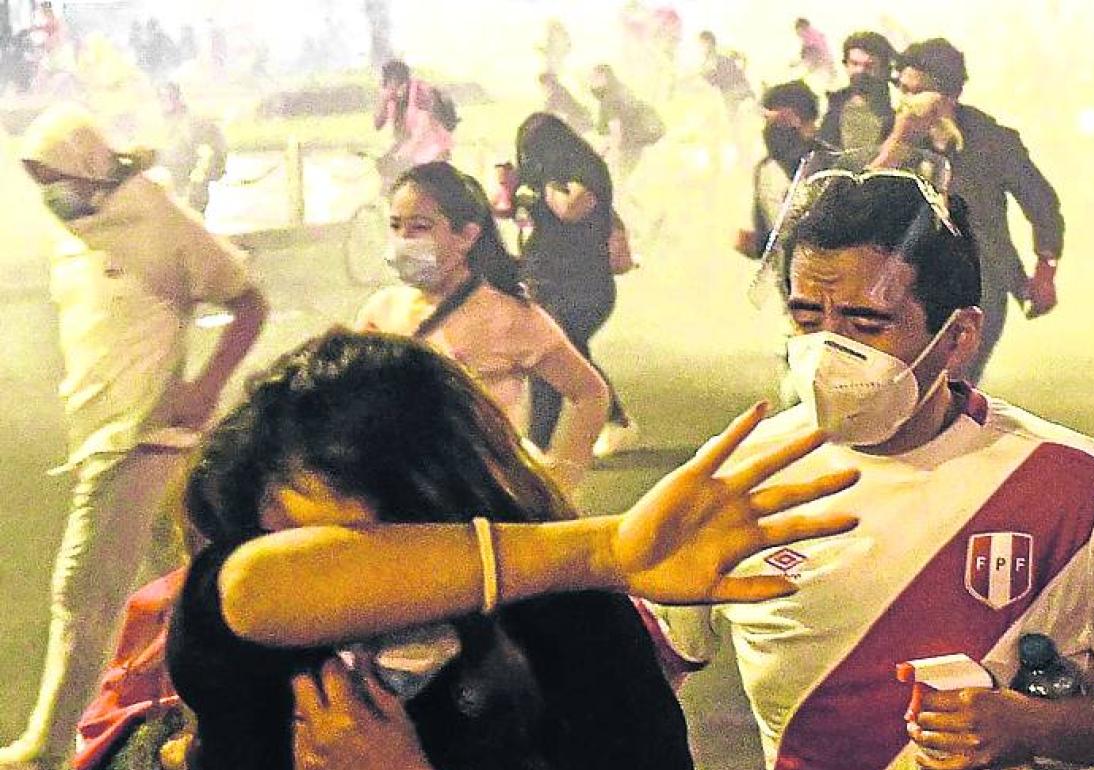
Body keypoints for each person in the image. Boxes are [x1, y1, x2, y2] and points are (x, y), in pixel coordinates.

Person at [643, 170, 1094, 770]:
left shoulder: (1077, 485)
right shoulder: (740, 477)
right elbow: (640, 665)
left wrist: (1029, 725)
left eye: (866, 324)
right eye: (805, 319)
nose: (826, 351)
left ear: (957, 339)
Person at [165, 328, 861, 770]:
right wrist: (604, 548)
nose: (321, 578)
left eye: (350, 547)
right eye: (290, 549)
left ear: (433, 504)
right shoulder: (246, 639)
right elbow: (251, 590)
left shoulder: (572, 630)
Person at [0, 103, 267, 770]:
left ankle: (46, 748)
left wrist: (204, 387)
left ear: (91, 167)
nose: (49, 193)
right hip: (105, 435)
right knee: (182, 589)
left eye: (56, 176)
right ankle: (219, 715)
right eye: (38, 180)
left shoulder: (156, 217)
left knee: (82, 593)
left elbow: (248, 300)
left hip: (142, 439)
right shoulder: (77, 230)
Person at [355, 162, 609, 491]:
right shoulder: (380, 311)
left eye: (420, 227)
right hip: (400, 502)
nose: (404, 239)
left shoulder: (510, 315)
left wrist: (562, 481)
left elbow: (590, 393)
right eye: (395, 225)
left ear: (467, 236)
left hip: (486, 502)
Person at [874, 38, 1063, 383]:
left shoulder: (991, 140)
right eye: (900, 88)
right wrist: (896, 147)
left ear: (947, 95)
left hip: (980, 280)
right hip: (909, 280)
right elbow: (861, 196)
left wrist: (1045, 269)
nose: (905, 100)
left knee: (952, 382)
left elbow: (1042, 203)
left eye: (916, 91)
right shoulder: (895, 136)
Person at [513, 112, 637, 457]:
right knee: (566, 353)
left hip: (583, 283)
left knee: (551, 354)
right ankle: (614, 420)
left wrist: (539, 187)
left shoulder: (584, 171)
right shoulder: (539, 176)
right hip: (547, 281)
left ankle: (538, 442)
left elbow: (571, 208)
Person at [735, 80, 819, 260]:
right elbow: (769, 237)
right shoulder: (765, 171)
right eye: (768, 121)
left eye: (781, 121)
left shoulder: (829, 167)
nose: (771, 130)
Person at [374, 59, 454, 189]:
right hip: (410, 146)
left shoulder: (421, 94)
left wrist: (403, 153)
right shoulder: (394, 97)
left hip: (433, 146)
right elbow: (378, 124)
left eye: (389, 84)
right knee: (384, 167)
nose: (387, 87)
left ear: (401, 83)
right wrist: (383, 100)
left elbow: (422, 132)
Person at [816, 31, 896, 152]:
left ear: (885, 69)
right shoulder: (834, 104)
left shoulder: (897, 106)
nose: (860, 71)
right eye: (854, 64)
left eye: (869, 66)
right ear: (846, 65)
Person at [157, 82, 228, 214]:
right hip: (167, 185)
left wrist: (205, 174)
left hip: (192, 184)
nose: (166, 101)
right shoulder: (154, 124)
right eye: (162, 97)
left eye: (170, 96)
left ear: (178, 97)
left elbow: (216, 151)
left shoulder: (197, 123)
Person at [588, 64, 665, 182]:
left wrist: (611, 156)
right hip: (636, 147)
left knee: (616, 185)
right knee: (620, 184)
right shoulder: (622, 91)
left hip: (625, 150)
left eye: (594, 77)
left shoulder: (608, 100)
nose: (591, 81)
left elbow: (616, 133)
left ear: (604, 77)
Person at [696, 30, 754, 117]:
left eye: (704, 43)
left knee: (754, 110)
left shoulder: (724, 52)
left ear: (711, 42)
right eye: (701, 44)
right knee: (734, 120)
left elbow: (743, 57)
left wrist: (742, 71)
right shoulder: (705, 64)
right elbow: (709, 83)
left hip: (741, 87)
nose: (703, 47)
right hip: (728, 94)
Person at [537, 71, 592, 135]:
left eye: (544, 85)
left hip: (577, 124)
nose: (543, 88)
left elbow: (547, 112)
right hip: (577, 122)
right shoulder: (559, 91)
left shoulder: (557, 94)